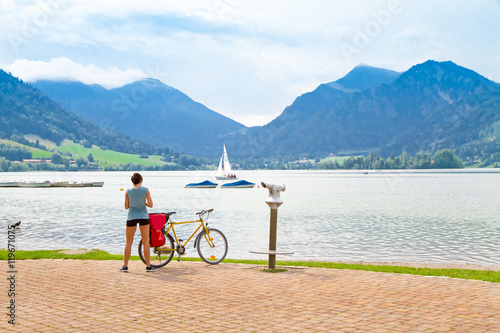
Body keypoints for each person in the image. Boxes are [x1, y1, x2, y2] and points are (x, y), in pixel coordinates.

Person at [121, 172, 155, 272]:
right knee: (145, 242)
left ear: (132, 181)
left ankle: (125, 266)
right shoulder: (145, 190)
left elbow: (126, 206)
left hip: (132, 217)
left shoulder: (128, 191)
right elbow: (151, 205)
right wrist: (143, 202)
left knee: (129, 242)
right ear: (141, 180)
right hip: (143, 216)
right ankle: (148, 266)